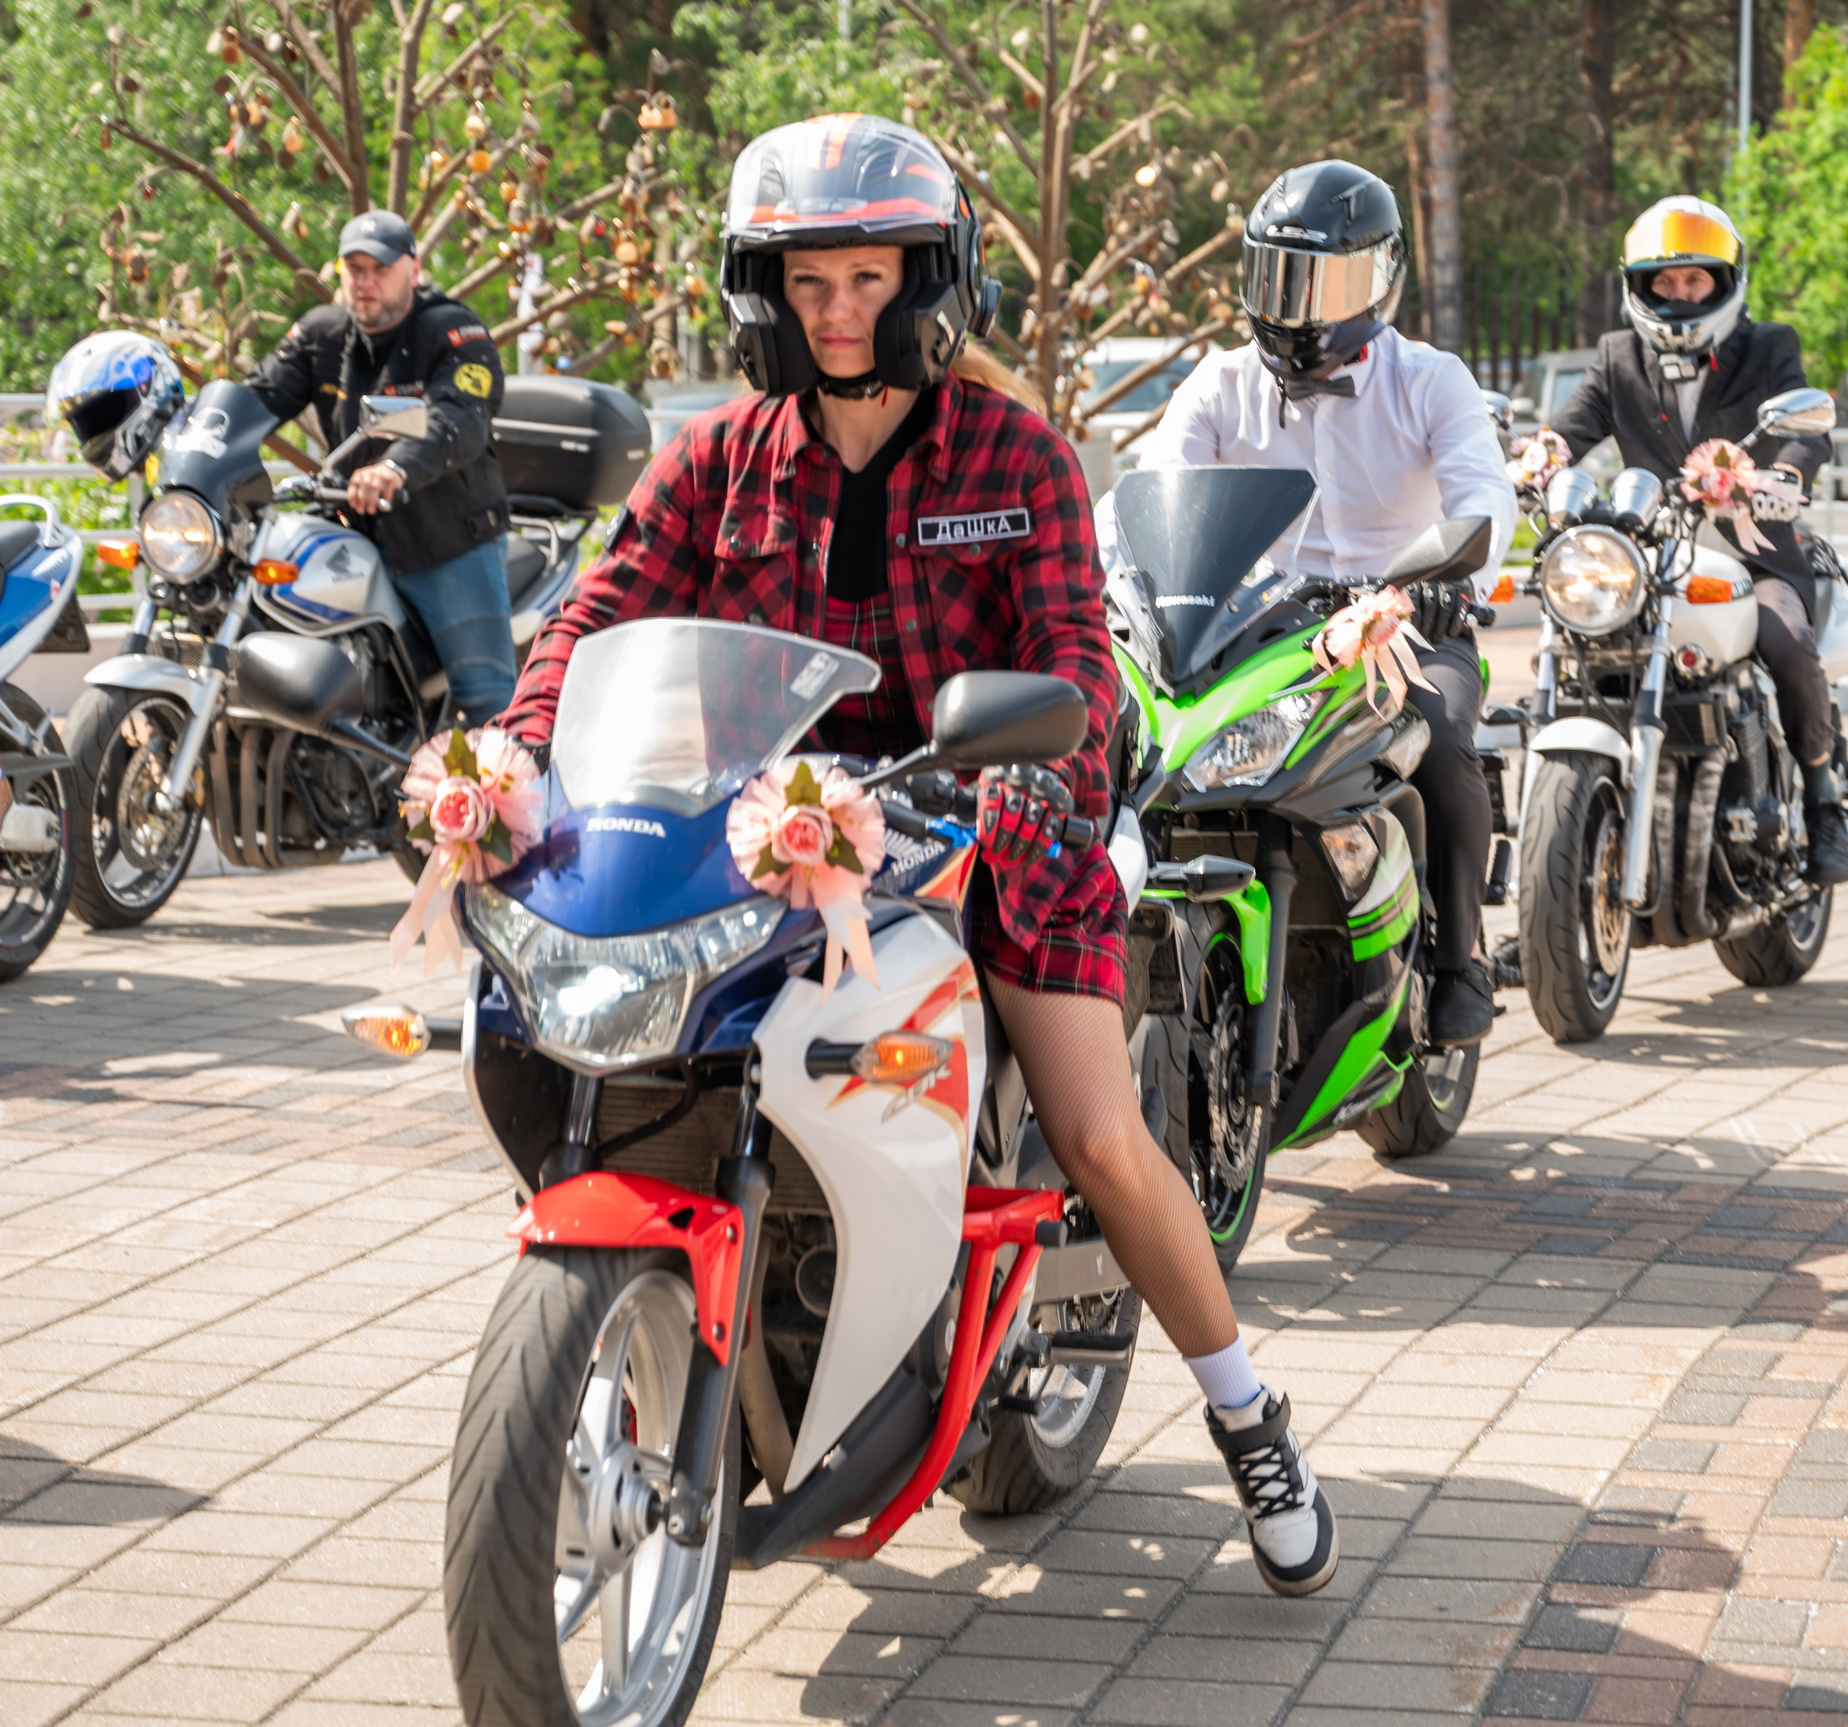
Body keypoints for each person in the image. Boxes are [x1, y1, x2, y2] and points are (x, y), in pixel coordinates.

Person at [493, 115, 1337, 1596]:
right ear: (764, 293)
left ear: (928, 281)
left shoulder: (1020, 453)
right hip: (765, 837)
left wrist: (1026, 780)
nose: (837, 312)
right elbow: (598, 614)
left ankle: (1246, 1413)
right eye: (807, 282)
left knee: (1096, 1135)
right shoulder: (716, 461)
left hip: (991, 822)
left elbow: (1071, 660)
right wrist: (517, 746)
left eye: (868, 278)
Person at [1132, 158, 1518, 1045]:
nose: (1298, 307)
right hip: (1261, 634)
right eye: (1280, 278)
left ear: (1382, 278)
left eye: (1325, 283)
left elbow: (1484, 497)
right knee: (1157, 755)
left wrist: (1448, 581)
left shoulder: (1432, 379)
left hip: (1410, 626)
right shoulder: (1218, 384)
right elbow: (1154, 492)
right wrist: (1122, 576)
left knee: (1442, 739)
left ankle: (1461, 957)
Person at [1549, 196, 1848, 885]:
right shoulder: (1618, 355)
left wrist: (1783, 475)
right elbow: (1570, 429)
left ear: (1724, 282)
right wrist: (1533, 459)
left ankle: (1822, 797)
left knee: (1786, 642)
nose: (1680, 294)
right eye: (1665, 280)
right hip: (1650, 560)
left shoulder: (1768, 346)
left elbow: (1808, 432)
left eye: (1695, 279)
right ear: (1640, 286)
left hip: (1754, 553)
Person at [245, 212, 518, 723]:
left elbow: (459, 415)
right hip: (354, 534)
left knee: (488, 701)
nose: (365, 281)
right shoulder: (322, 334)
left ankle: (520, 773)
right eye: (354, 268)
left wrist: (394, 467)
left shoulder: (454, 331)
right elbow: (255, 398)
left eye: (381, 268)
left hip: (444, 541)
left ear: (413, 270)